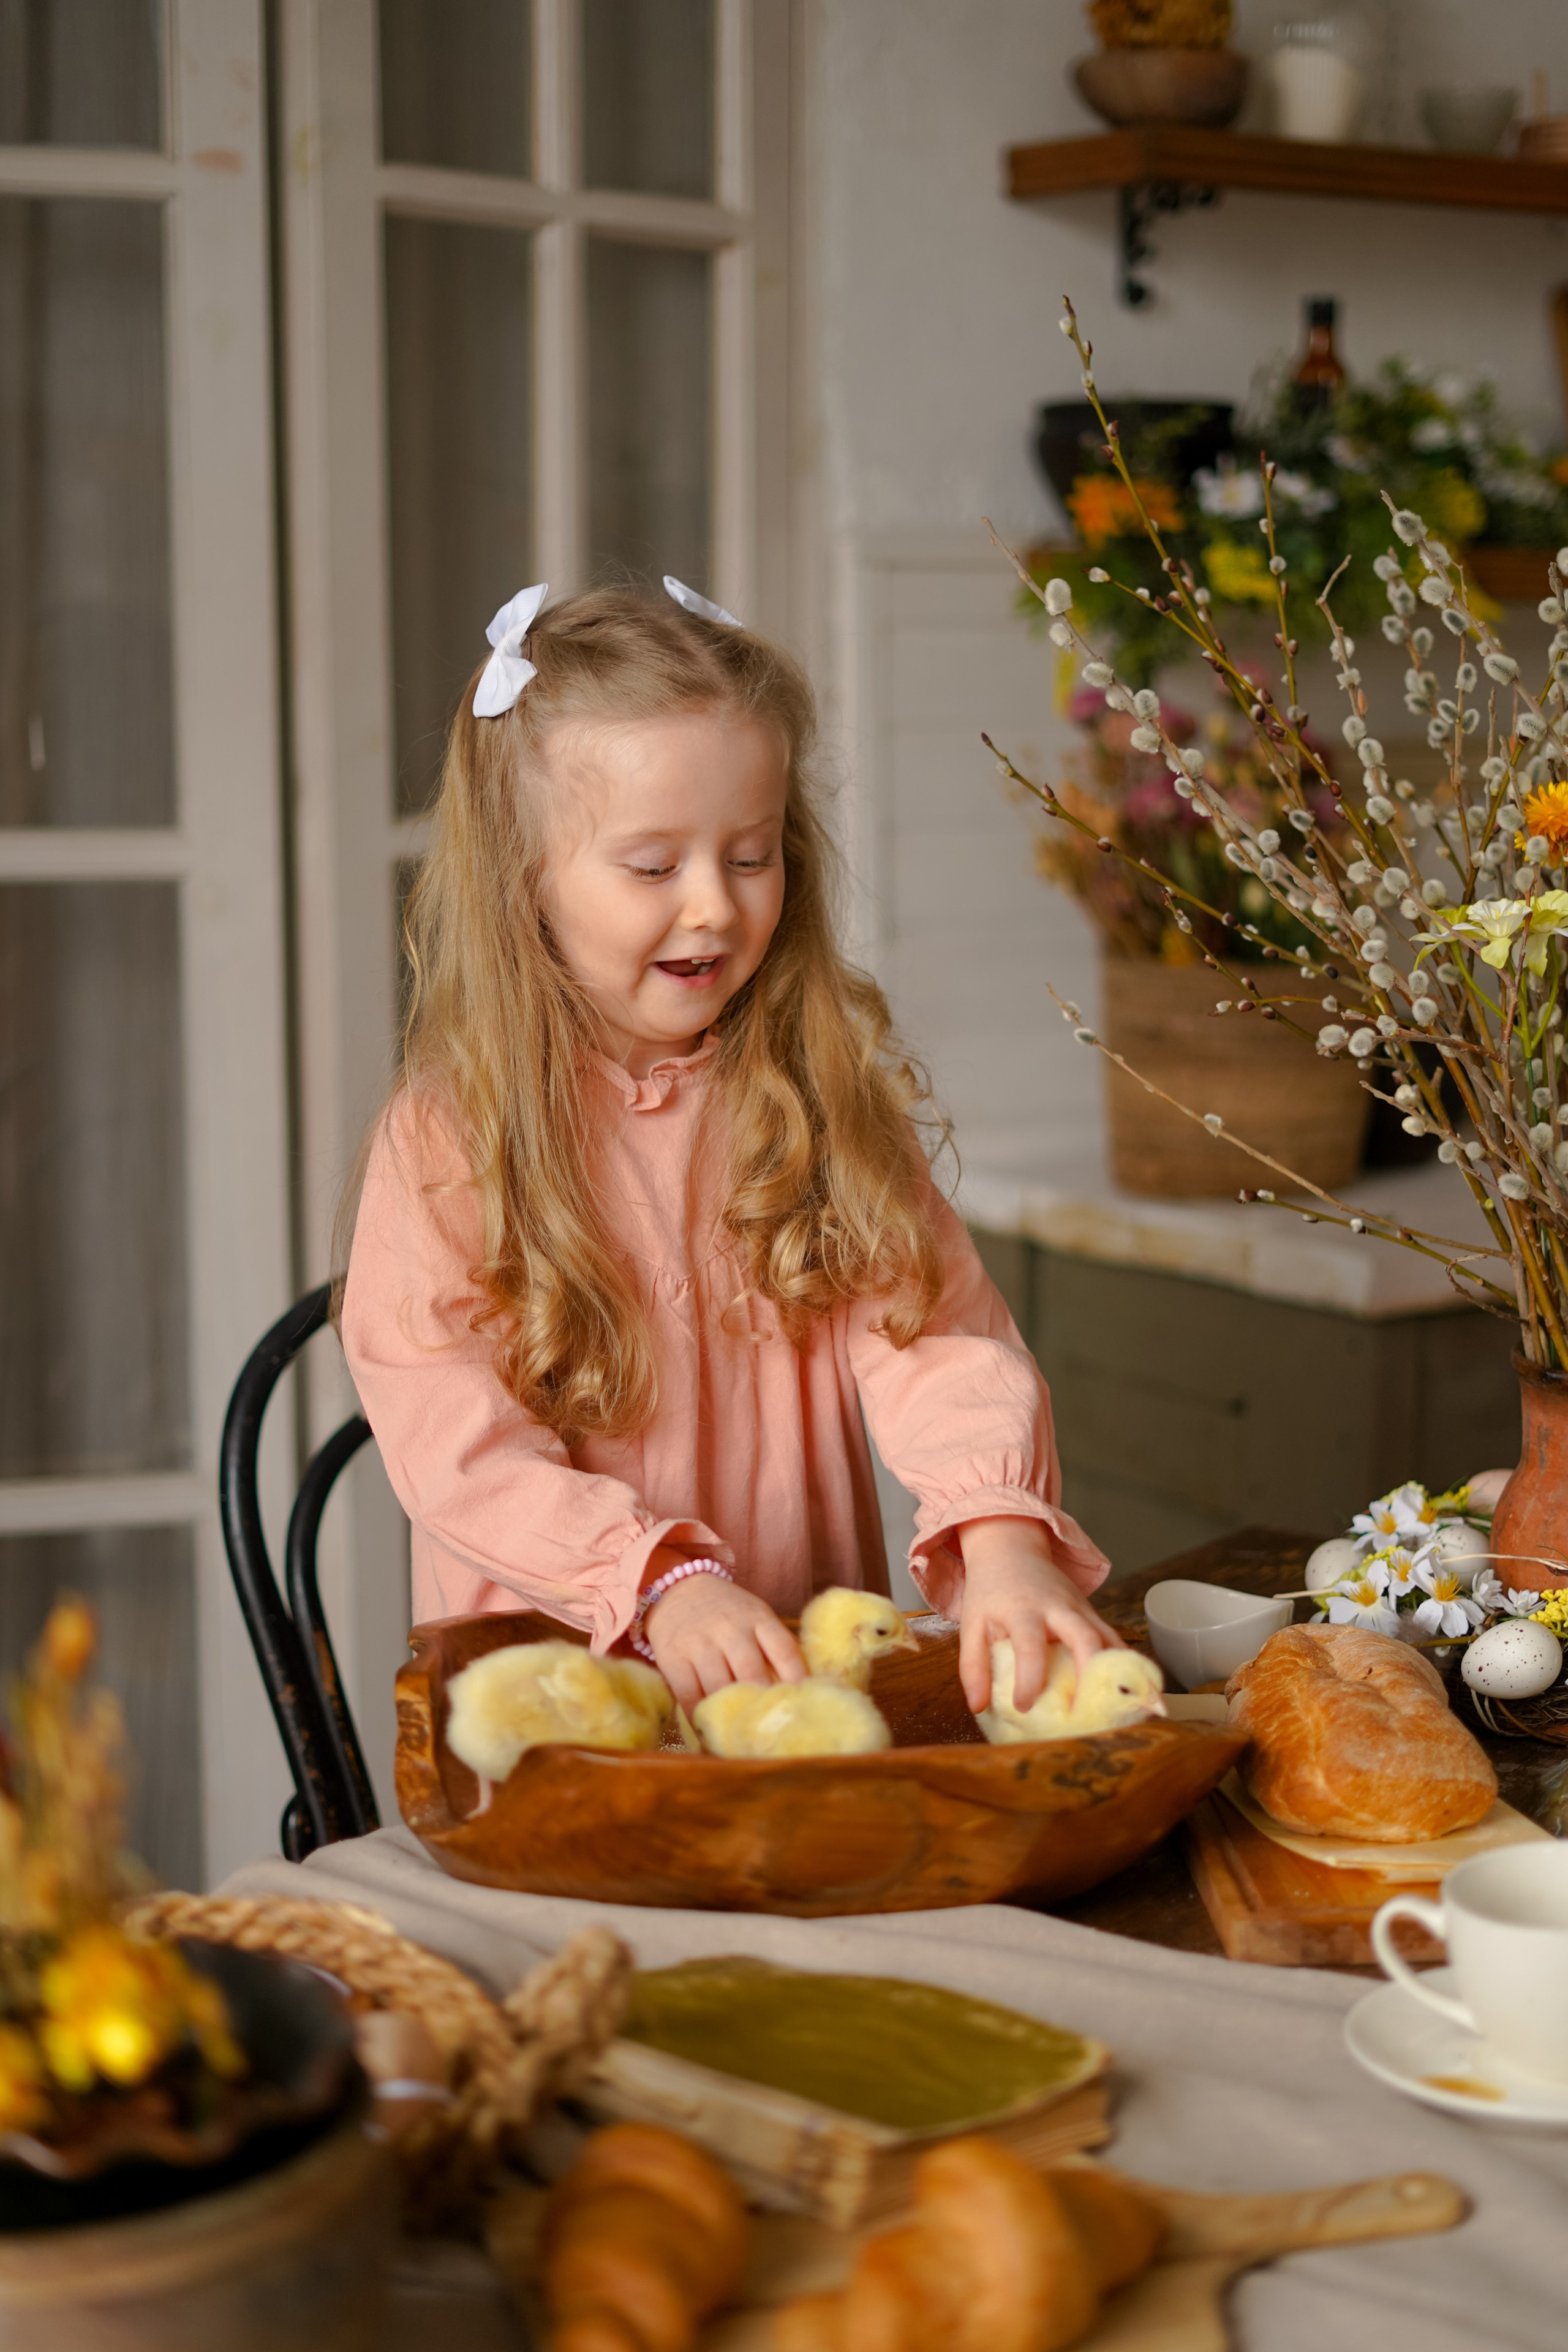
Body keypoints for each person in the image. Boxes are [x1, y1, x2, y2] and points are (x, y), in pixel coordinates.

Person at [340, 578, 1122, 1718]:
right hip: (560, 1712)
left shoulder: (808, 1092)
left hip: (805, 1682)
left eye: (750, 856)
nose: (711, 906)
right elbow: (459, 1447)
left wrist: (999, 1532)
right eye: (654, 868)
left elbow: (936, 1337)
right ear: (524, 882)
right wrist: (661, 1584)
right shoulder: (448, 1142)